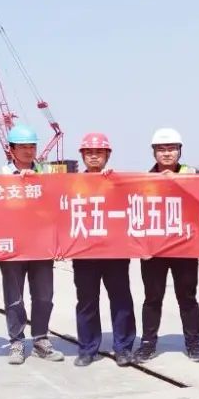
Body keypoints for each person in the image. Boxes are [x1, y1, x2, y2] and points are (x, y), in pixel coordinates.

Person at [134, 128, 199, 364]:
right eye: (161, 149)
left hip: (185, 248)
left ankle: (194, 344)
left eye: (171, 149)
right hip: (154, 250)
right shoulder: (143, 181)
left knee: (187, 297)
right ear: (154, 152)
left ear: (180, 151)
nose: (167, 153)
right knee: (152, 298)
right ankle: (148, 344)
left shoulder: (193, 175)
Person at [0, 124, 64, 365]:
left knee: (44, 296)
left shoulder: (47, 174)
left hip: (41, 245)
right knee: (14, 297)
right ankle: (16, 342)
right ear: (11, 149)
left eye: (31, 146)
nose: (28, 151)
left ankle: (40, 340)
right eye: (22, 147)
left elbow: (60, 205)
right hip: (12, 246)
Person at [71, 133, 137, 367]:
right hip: (85, 253)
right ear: (82, 156)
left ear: (108, 155)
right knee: (87, 301)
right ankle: (87, 349)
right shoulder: (72, 183)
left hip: (115, 252)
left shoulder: (118, 182)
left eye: (99, 152)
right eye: (89, 152)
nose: (93, 156)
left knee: (121, 299)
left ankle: (123, 348)